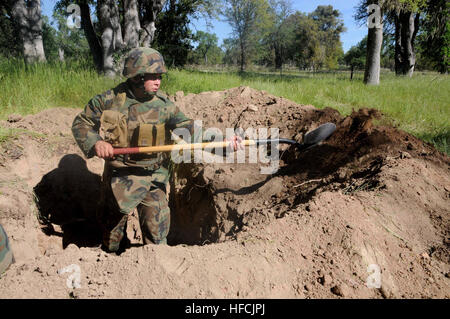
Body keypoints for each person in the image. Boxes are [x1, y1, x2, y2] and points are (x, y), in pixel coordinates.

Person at [72, 47, 242, 253]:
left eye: (160, 76)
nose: (158, 82)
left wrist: (223, 142)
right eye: (152, 77)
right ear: (137, 77)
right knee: (112, 238)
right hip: (119, 178)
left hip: (153, 178)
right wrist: (96, 142)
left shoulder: (165, 107)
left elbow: (191, 131)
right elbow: (81, 123)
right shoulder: (109, 100)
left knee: (157, 242)